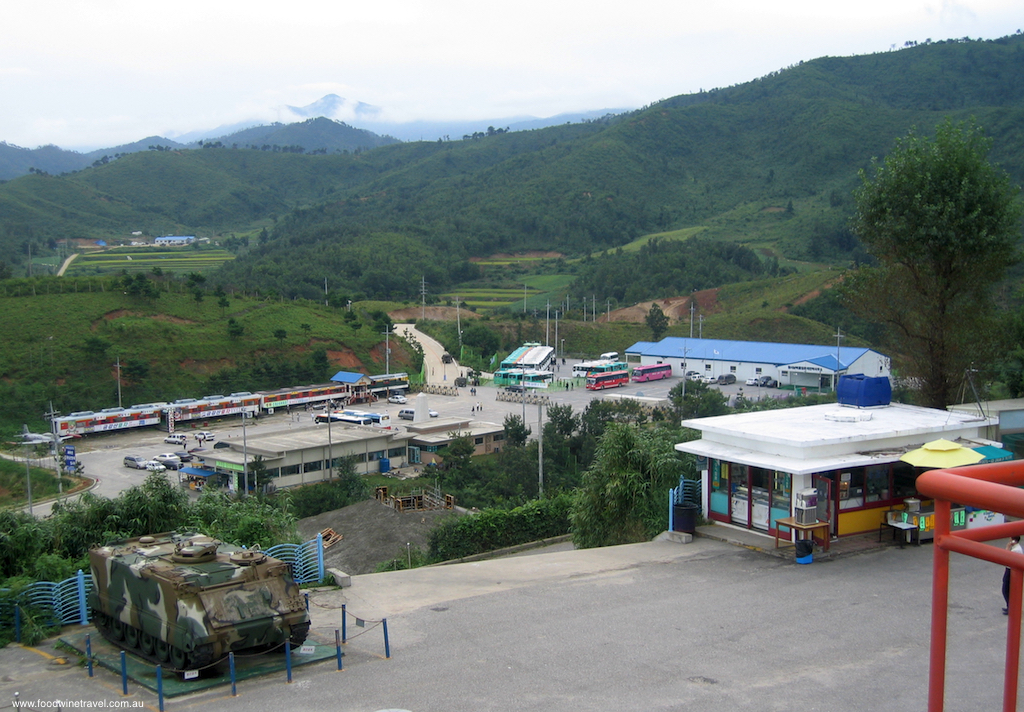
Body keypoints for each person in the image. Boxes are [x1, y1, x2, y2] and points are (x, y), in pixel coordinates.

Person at [1003, 536, 1022, 614]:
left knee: (1006, 590)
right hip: (1010, 569)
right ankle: (1009, 606)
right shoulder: (1016, 548)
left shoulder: (1016, 550)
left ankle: (1011, 608)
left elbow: (1005, 557)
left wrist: (1008, 547)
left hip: (1011, 571)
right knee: (1007, 589)